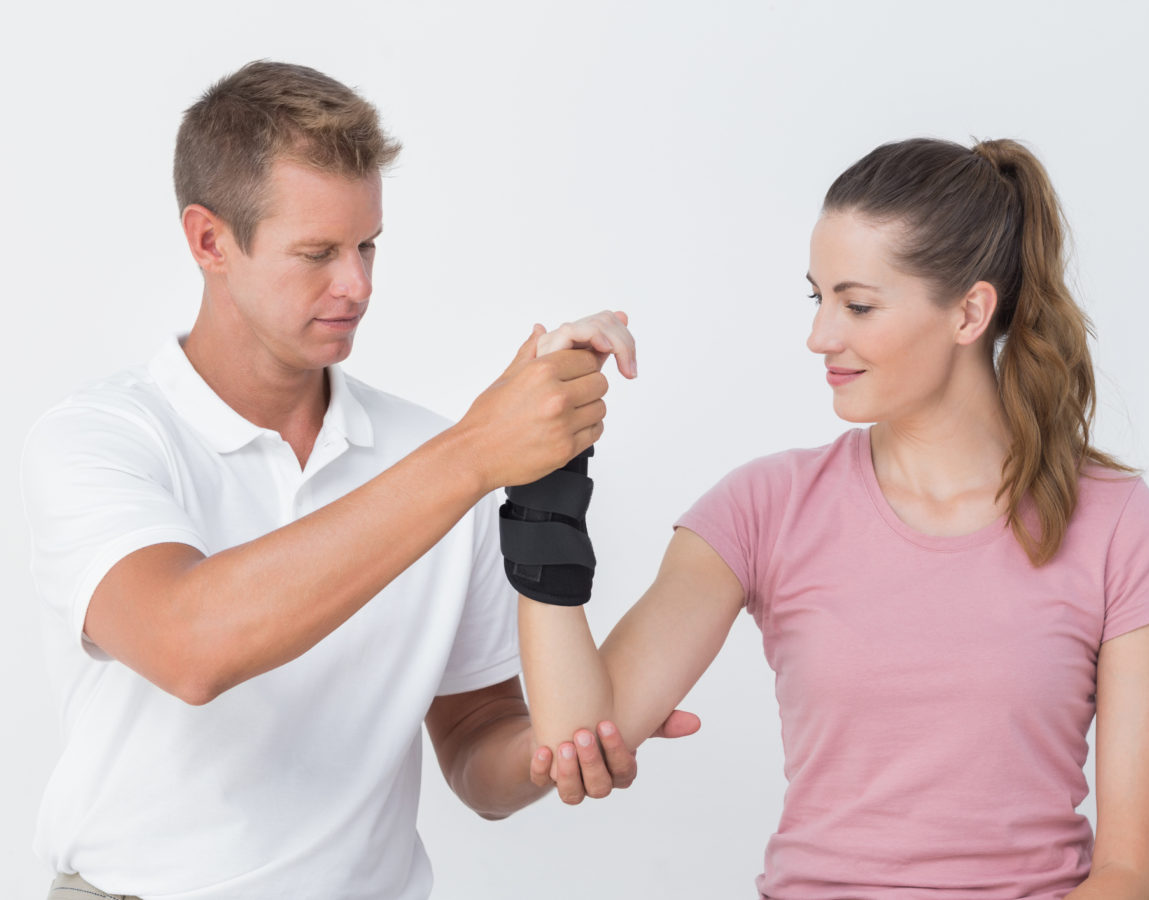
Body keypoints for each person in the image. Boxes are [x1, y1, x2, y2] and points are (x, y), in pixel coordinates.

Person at [19, 60, 692, 900]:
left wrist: (558, 751)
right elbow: (188, 646)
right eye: (318, 253)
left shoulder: (431, 454)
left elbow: (476, 739)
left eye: (368, 245)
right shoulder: (100, 439)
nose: (359, 285)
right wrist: (477, 452)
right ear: (208, 240)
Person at [518, 137, 1149, 899]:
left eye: (857, 305)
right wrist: (543, 480)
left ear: (969, 312)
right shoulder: (763, 508)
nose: (820, 336)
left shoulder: (1120, 526)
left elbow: (1129, 873)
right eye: (817, 298)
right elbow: (579, 735)